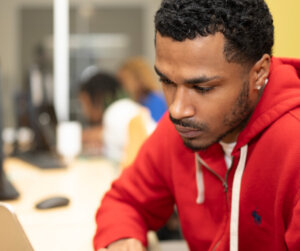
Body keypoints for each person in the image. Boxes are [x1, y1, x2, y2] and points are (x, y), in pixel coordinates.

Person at [94, 0, 300, 251]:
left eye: (202, 88)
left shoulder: (293, 146)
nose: (177, 110)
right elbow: (125, 201)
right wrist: (123, 239)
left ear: (259, 73)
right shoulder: (183, 129)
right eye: (167, 81)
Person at [79, 71, 155, 163]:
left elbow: (109, 136)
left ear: (97, 98)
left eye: (84, 103)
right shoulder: (125, 107)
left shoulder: (116, 111)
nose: (84, 111)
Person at [118, 57, 168, 122]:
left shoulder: (154, 100)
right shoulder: (141, 100)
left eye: (124, 81)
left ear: (138, 79)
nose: (123, 86)